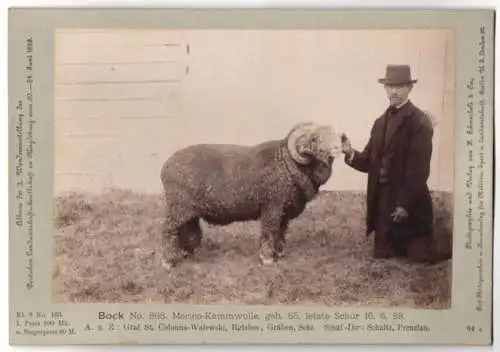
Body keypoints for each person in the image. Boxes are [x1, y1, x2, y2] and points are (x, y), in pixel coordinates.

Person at [341, 64, 445, 263]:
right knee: (381, 255)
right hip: (383, 202)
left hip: (410, 205)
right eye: (390, 86)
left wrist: (405, 205)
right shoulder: (380, 123)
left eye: (400, 86)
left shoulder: (420, 122)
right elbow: (368, 161)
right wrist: (349, 152)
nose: (394, 91)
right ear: (385, 88)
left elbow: (419, 170)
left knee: (421, 258)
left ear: (410, 88)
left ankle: (432, 241)